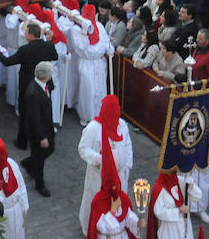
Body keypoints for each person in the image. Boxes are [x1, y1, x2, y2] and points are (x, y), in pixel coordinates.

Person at [0, 22, 58, 149]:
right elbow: (55, 56)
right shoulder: (48, 46)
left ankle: (22, 141)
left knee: (25, 113)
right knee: (44, 111)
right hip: (44, 84)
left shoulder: (24, 50)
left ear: (31, 36)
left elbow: (7, 61)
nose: (25, 35)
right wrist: (49, 40)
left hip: (28, 86)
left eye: (26, 33)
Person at [78, 95, 134, 235]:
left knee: (117, 203)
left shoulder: (122, 125)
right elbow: (83, 149)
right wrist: (99, 159)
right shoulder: (93, 128)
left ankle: (118, 227)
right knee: (97, 204)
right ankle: (90, 228)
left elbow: (128, 146)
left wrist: (127, 166)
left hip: (120, 176)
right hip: (99, 177)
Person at [87, 137, 141, 239]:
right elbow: (101, 227)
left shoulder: (123, 196)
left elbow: (128, 217)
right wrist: (112, 211)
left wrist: (137, 223)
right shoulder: (98, 201)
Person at [69, 4, 113, 126]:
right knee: (87, 90)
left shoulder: (99, 26)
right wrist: (84, 31)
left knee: (100, 89)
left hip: (99, 62)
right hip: (86, 63)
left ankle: (99, 115)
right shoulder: (76, 29)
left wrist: (109, 49)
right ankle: (86, 116)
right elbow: (83, 48)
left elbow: (105, 41)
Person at [21, 61, 55, 197]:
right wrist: (42, 137)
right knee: (40, 158)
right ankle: (40, 185)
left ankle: (29, 163)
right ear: (46, 76)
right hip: (38, 132)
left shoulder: (41, 85)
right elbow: (34, 118)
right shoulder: (34, 93)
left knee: (49, 150)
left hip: (46, 127)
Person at [147, 168, 200, 239]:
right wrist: (179, 210)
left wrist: (192, 186)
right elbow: (158, 211)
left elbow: (197, 196)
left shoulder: (180, 181)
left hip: (185, 224)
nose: (171, 174)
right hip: (169, 228)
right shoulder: (159, 188)